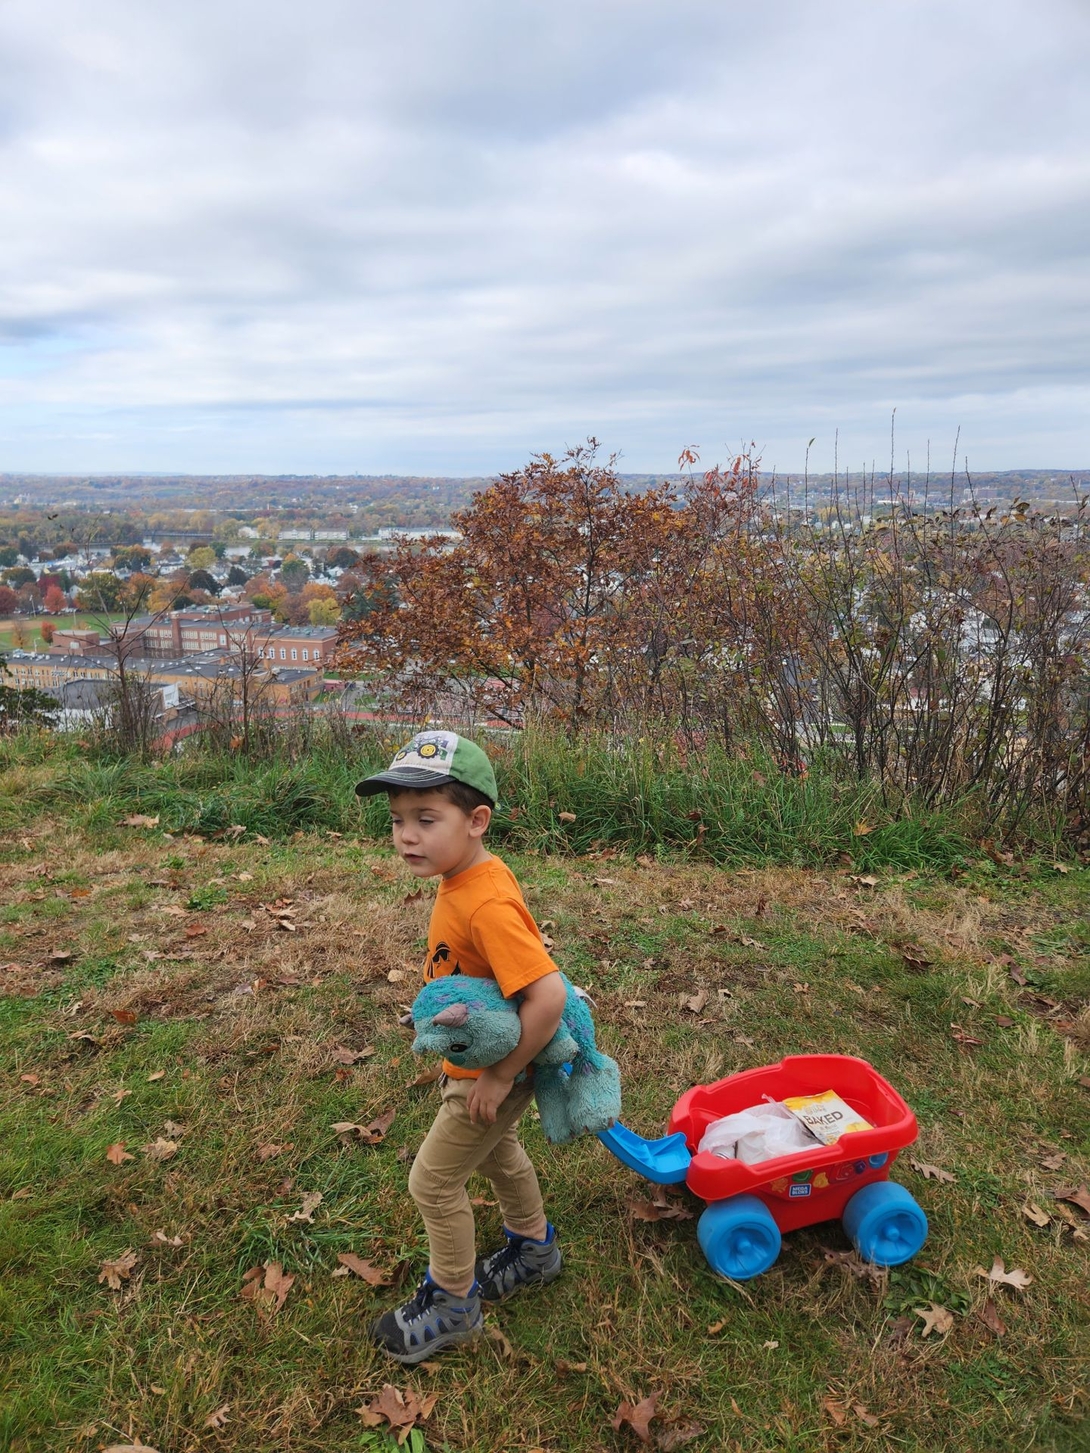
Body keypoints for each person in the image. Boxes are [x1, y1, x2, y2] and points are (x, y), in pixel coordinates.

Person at [356, 731, 566, 1363]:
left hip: (495, 1070)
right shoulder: (464, 878)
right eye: (397, 820)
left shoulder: (488, 902)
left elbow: (549, 996)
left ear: (477, 821)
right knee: (499, 1153)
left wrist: (501, 1075)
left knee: (434, 1183)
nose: (406, 836)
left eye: (426, 819)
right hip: (479, 1062)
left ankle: (453, 1301)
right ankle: (534, 1251)